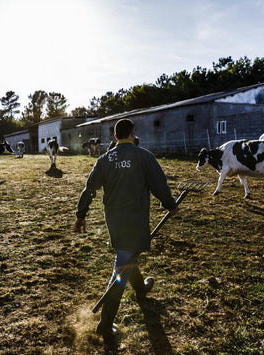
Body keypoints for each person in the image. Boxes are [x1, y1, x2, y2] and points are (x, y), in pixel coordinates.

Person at [74, 118, 178, 344]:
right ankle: (105, 322)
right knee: (120, 271)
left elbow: (89, 189)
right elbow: (160, 185)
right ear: (132, 133)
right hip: (135, 221)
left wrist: (81, 215)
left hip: (114, 222)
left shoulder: (104, 159)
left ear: (114, 137)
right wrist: (170, 205)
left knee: (128, 254)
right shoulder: (143, 156)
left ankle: (141, 289)